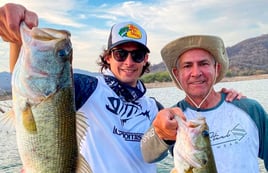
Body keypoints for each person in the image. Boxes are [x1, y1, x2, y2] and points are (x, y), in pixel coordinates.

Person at [0, 3, 244, 173]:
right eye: (120, 53)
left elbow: (188, 151)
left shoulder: (154, 108)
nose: (129, 62)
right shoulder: (87, 87)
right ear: (107, 57)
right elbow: (36, 90)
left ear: (145, 60)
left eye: (137, 55)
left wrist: (221, 98)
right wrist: (15, 39)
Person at [141, 35, 268, 173]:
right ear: (177, 74)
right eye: (187, 66)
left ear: (217, 68)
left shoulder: (249, 108)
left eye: (203, 64)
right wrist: (160, 132)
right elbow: (148, 155)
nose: (196, 73)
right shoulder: (171, 119)